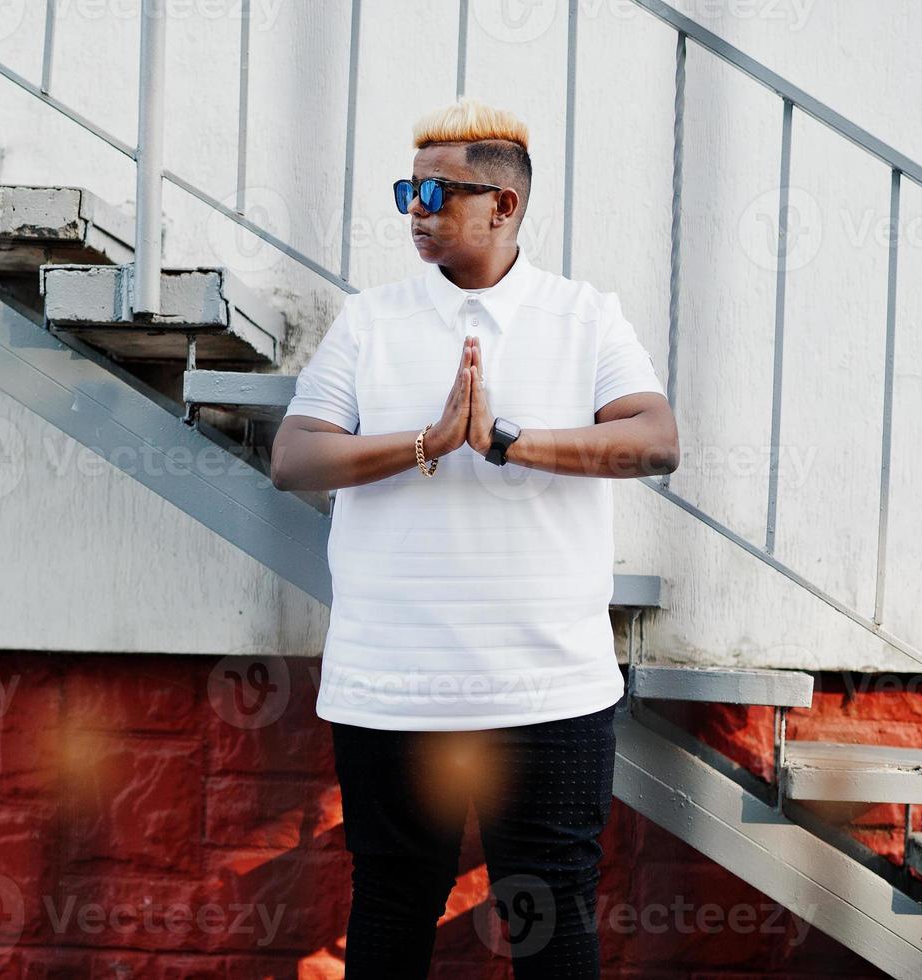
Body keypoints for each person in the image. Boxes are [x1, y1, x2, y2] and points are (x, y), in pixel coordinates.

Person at [269, 97, 680, 978]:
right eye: (405, 191)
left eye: (436, 192)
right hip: (391, 684)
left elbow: (654, 441)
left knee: (549, 912)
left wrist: (507, 442)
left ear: (504, 205)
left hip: (547, 688)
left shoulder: (586, 317)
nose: (415, 209)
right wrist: (428, 441)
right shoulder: (369, 321)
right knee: (390, 905)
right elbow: (294, 459)